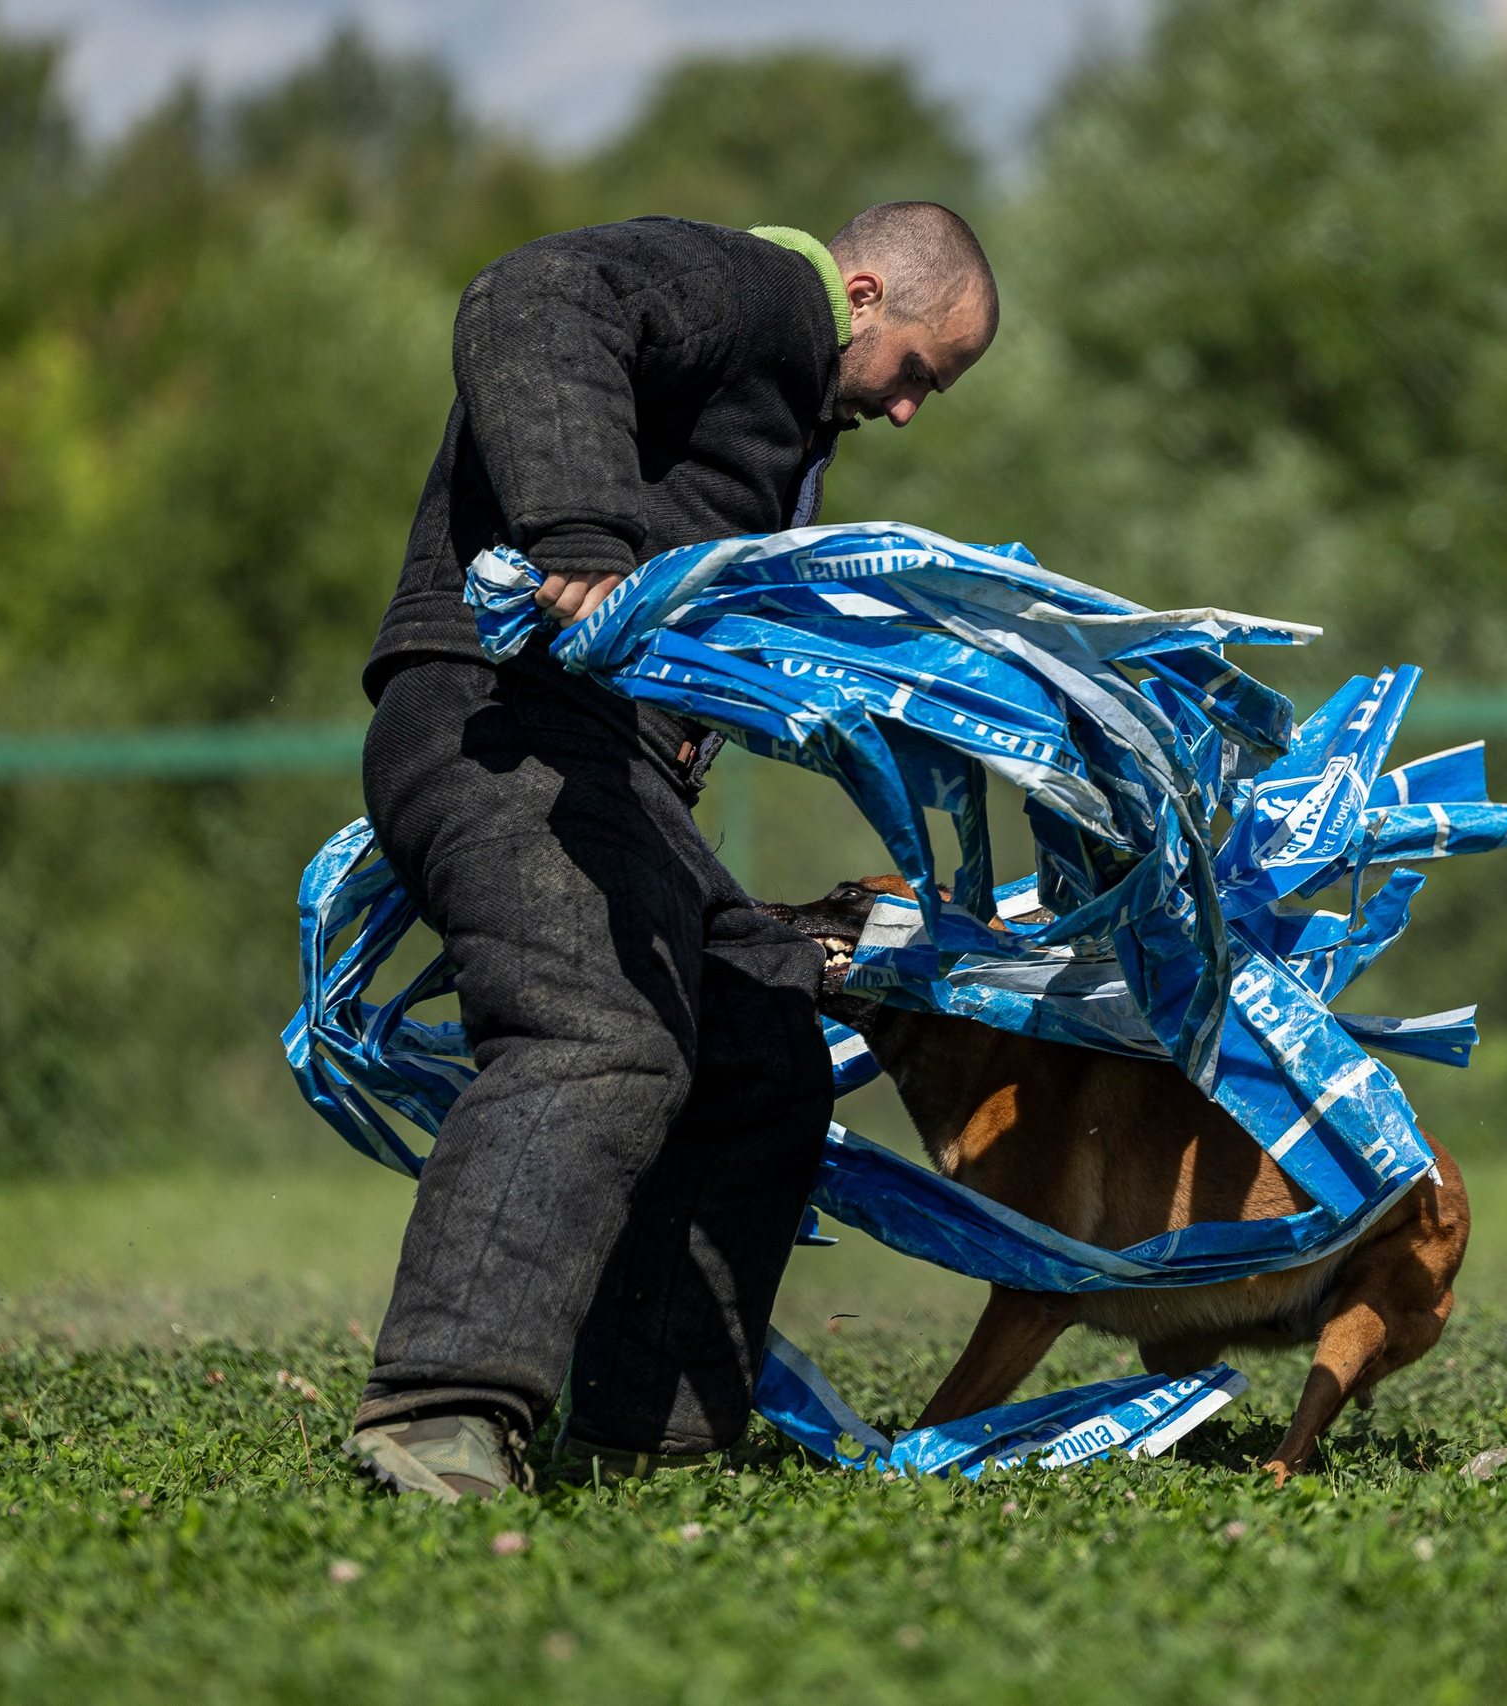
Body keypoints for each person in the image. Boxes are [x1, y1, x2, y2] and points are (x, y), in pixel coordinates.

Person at [345, 204, 1000, 1500]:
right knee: (598, 1028)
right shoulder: (753, 292)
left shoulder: (783, 403)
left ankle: (654, 1436)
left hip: (602, 768)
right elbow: (528, 295)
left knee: (759, 1041)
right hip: (497, 718)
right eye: (922, 369)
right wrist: (582, 536)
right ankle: (437, 1411)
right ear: (863, 293)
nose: (914, 410)